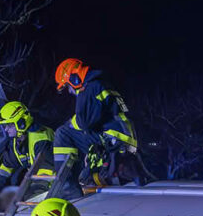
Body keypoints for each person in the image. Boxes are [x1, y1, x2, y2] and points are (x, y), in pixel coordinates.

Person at [50, 59, 141, 198]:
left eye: (68, 86)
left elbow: (83, 122)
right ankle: (82, 175)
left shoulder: (89, 88)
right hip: (122, 139)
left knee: (63, 133)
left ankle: (66, 186)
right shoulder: (102, 83)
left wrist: (69, 123)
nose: (69, 91)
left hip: (113, 140)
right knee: (75, 137)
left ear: (74, 79)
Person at [0, 101, 55, 200]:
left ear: (21, 123)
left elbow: (46, 169)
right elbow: (7, 166)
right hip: (41, 184)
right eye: (5, 126)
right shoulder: (18, 141)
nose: (6, 129)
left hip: (55, 185)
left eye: (9, 125)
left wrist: (37, 190)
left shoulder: (41, 138)